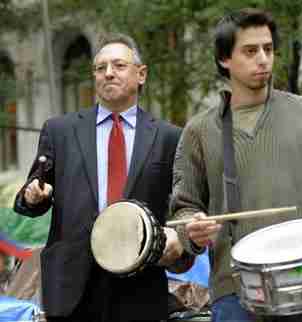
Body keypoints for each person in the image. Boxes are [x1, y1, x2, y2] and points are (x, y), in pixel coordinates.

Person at [170, 8, 302, 322]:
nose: (263, 59)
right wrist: (192, 230)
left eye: (268, 49)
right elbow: (183, 208)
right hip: (236, 291)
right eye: (250, 51)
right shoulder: (198, 132)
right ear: (225, 59)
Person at [14, 33, 183, 322]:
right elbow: (30, 198)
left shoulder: (169, 137)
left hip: (140, 285)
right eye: (100, 67)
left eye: (118, 65)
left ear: (141, 74)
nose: (108, 73)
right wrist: (33, 196)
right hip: (71, 288)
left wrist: (178, 241)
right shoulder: (60, 131)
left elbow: (180, 207)